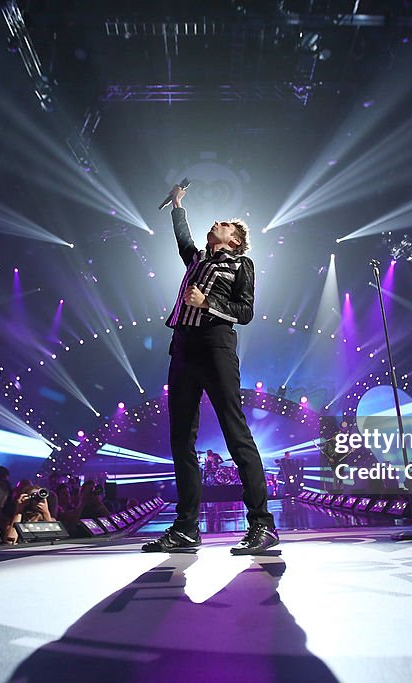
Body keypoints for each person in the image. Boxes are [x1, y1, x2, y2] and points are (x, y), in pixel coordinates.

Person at [142, 184, 278, 555]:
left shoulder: (241, 265)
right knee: (180, 441)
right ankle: (186, 528)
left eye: (224, 224)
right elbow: (183, 239)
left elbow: (245, 312)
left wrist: (208, 301)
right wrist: (176, 205)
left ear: (235, 240)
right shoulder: (198, 259)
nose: (215, 223)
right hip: (183, 347)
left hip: (216, 345)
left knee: (236, 433)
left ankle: (262, 526)